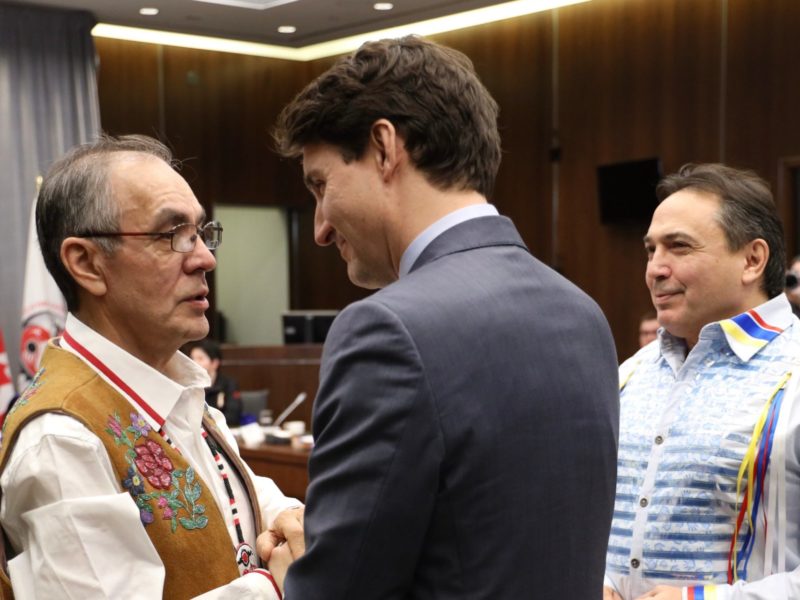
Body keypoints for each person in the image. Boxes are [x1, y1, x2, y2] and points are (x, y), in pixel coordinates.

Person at [266, 35, 620, 599]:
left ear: (384, 147)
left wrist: (292, 575)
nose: (320, 228)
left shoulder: (385, 330)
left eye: (321, 185)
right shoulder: (582, 312)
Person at [0, 134, 303, 599]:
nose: (205, 257)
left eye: (202, 232)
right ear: (87, 264)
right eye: (172, 236)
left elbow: (239, 501)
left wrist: (288, 521)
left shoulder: (175, 386)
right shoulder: (62, 439)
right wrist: (273, 586)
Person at [604, 163, 800, 600]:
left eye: (679, 248)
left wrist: (703, 599)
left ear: (752, 260)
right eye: (651, 251)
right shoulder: (629, 374)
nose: (655, 269)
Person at [186, 338, 242, 426]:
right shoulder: (188, 385)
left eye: (200, 359)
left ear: (214, 363)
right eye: (192, 358)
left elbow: (233, 416)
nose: (194, 363)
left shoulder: (228, 384)